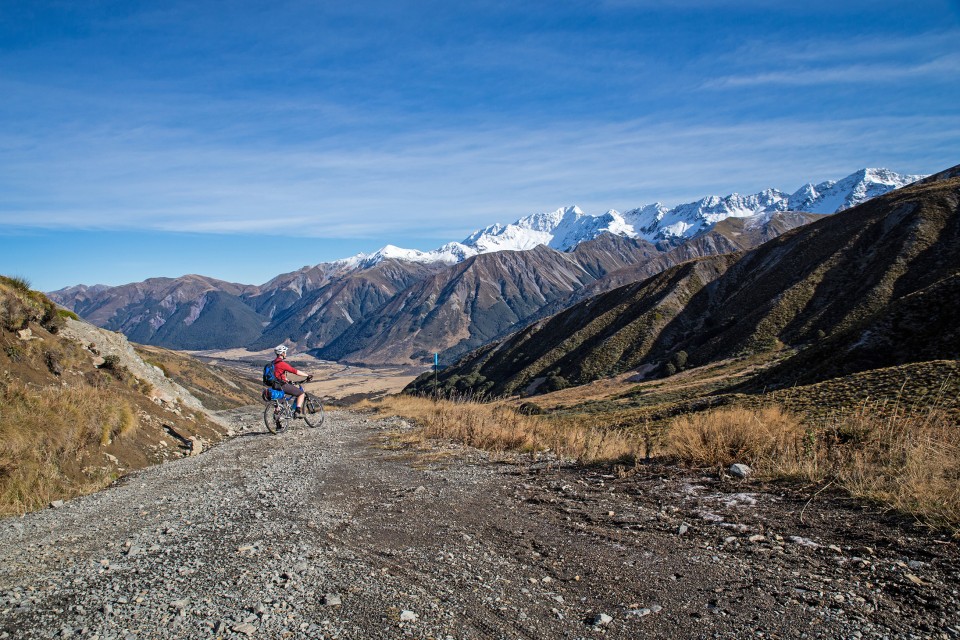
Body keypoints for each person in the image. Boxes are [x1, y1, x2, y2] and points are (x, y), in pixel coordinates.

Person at [272, 345, 312, 417]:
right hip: (282, 385)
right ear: (282, 353)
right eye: (285, 352)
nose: (286, 354)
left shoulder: (272, 363)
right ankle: (297, 412)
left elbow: (277, 375)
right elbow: (295, 371)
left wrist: (287, 380)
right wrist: (307, 375)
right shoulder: (281, 364)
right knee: (301, 393)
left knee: (279, 404)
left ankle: (278, 423)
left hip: (274, 385)